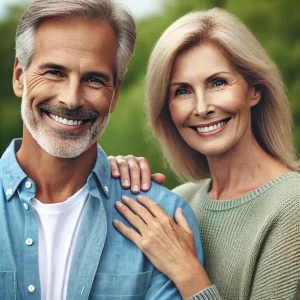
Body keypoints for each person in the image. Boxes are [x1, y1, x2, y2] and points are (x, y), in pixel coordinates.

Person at [0, 0, 206, 299]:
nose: (71, 100)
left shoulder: (166, 218)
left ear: (115, 94)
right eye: (55, 72)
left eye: (94, 79)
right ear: (20, 76)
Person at [108, 8, 300, 300]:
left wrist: (187, 272)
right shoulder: (178, 201)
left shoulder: (293, 205)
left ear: (255, 90)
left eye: (218, 83)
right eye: (182, 91)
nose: (201, 107)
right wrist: (109, 181)